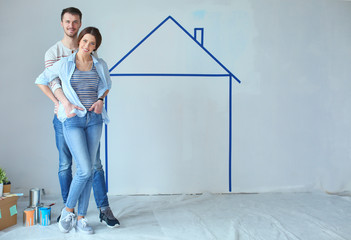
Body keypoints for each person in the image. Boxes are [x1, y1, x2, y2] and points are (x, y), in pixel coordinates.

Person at [37, 7, 120, 229]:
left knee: (93, 165)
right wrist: (62, 104)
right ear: (62, 23)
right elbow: (51, 81)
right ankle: (69, 211)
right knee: (66, 164)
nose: (71, 25)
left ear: (81, 24)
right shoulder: (56, 53)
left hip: (91, 119)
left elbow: (102, 83)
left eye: (75, 22)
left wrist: (101, 99)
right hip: (66, 116)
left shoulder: (94, 56)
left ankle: (97, 210)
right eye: (68, 21)